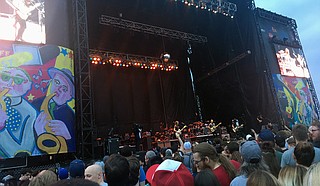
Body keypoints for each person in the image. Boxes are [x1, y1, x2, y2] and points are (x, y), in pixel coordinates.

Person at [33, 67, 75, 154]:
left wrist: (67, 136)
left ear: (70, 96)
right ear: (51, 82)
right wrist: (39, 133)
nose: (58, 90)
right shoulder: (36, 104)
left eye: (64, 89)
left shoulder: (70, 114)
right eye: (57, 82)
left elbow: (74, 148)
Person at [0, 67, 37, 158]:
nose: (11, 83)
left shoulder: (30, 111)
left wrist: (2, 130)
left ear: (28, 85)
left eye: (18, 80)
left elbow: (25, 147)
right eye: (5, 77)